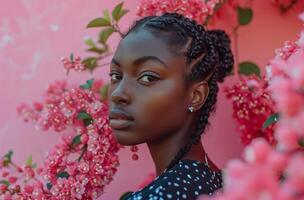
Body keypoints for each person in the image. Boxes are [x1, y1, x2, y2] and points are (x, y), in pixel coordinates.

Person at [108, 12, 234, 200]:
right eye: (116, 76)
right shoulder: (223, 181)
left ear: (196, 96)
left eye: (148, 77)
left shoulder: (166, 193)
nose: (118, 93)